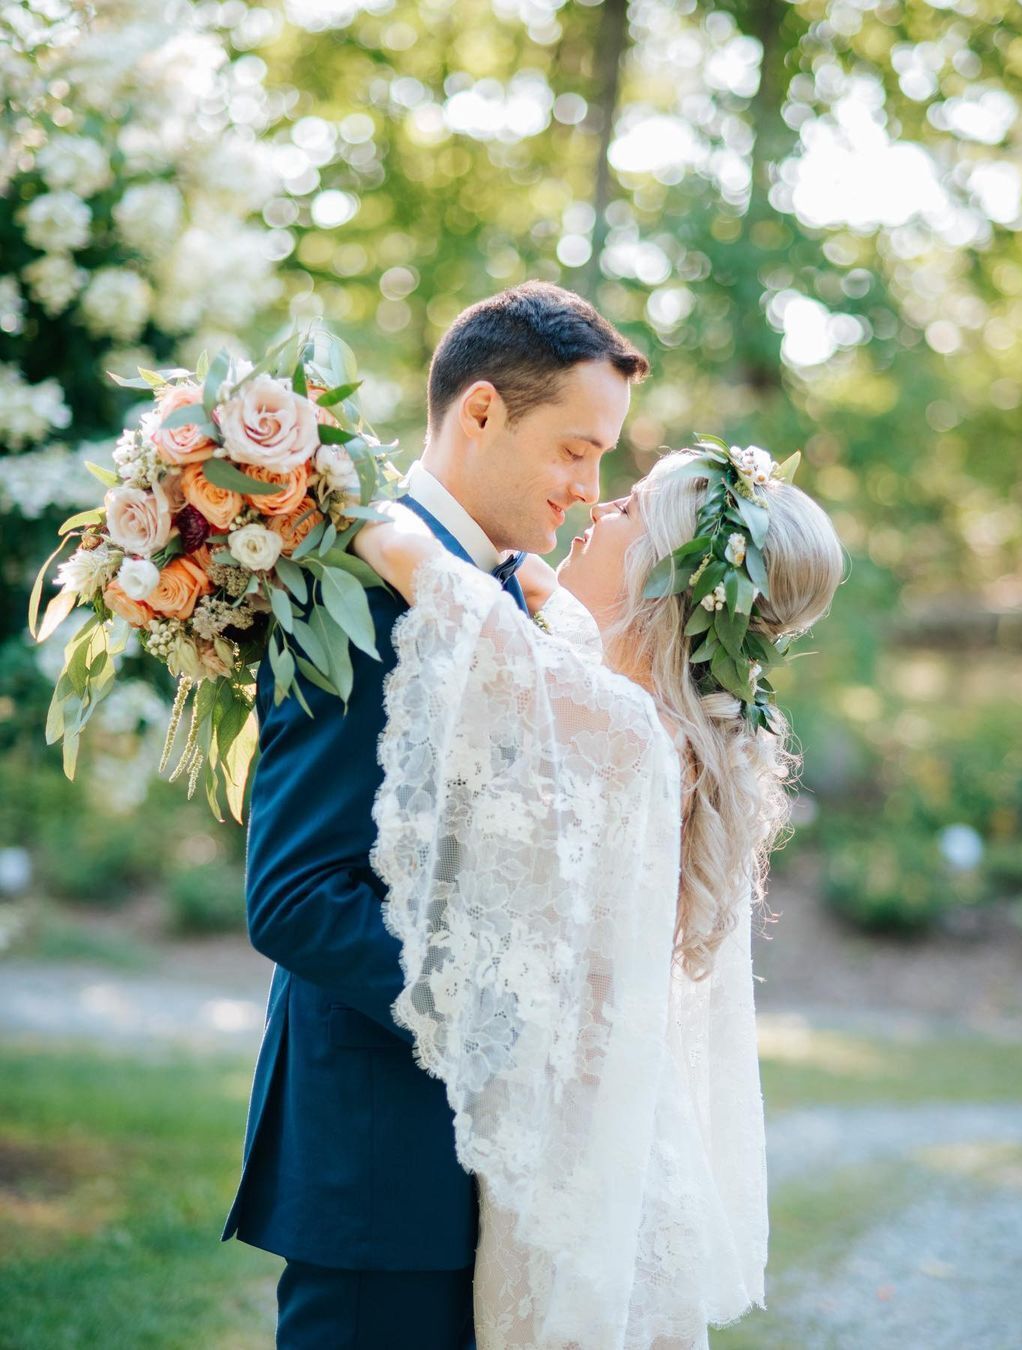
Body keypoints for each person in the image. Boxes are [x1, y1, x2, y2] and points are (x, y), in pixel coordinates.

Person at [221, 281, 649, 1349]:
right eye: (576, 451)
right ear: (483, 412)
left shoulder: (507, 597)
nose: (590, 490)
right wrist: (505, 1027)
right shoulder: (356, 583)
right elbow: (298, 899)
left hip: (490, 1173)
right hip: (383, 1169)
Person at [350, 443, 845, 1347]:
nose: (597, 508)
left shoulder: (620, 728)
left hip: (577, 1172)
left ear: (667, 573)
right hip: (620, 1140)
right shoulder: (666, 716)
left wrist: (334, 497)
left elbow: (451, 595)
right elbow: (553, 616)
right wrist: (527, 567)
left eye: (629, 510)